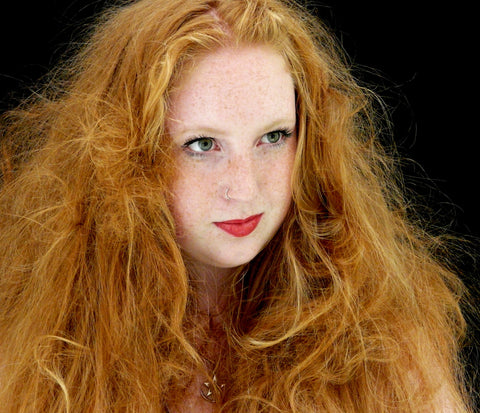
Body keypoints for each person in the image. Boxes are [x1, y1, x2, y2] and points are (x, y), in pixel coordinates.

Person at [0, 0, 474, 411]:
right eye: (203, 145)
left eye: (274, 137)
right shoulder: (37, 347)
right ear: (122, 157)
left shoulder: (386, 339)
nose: (245, 189)